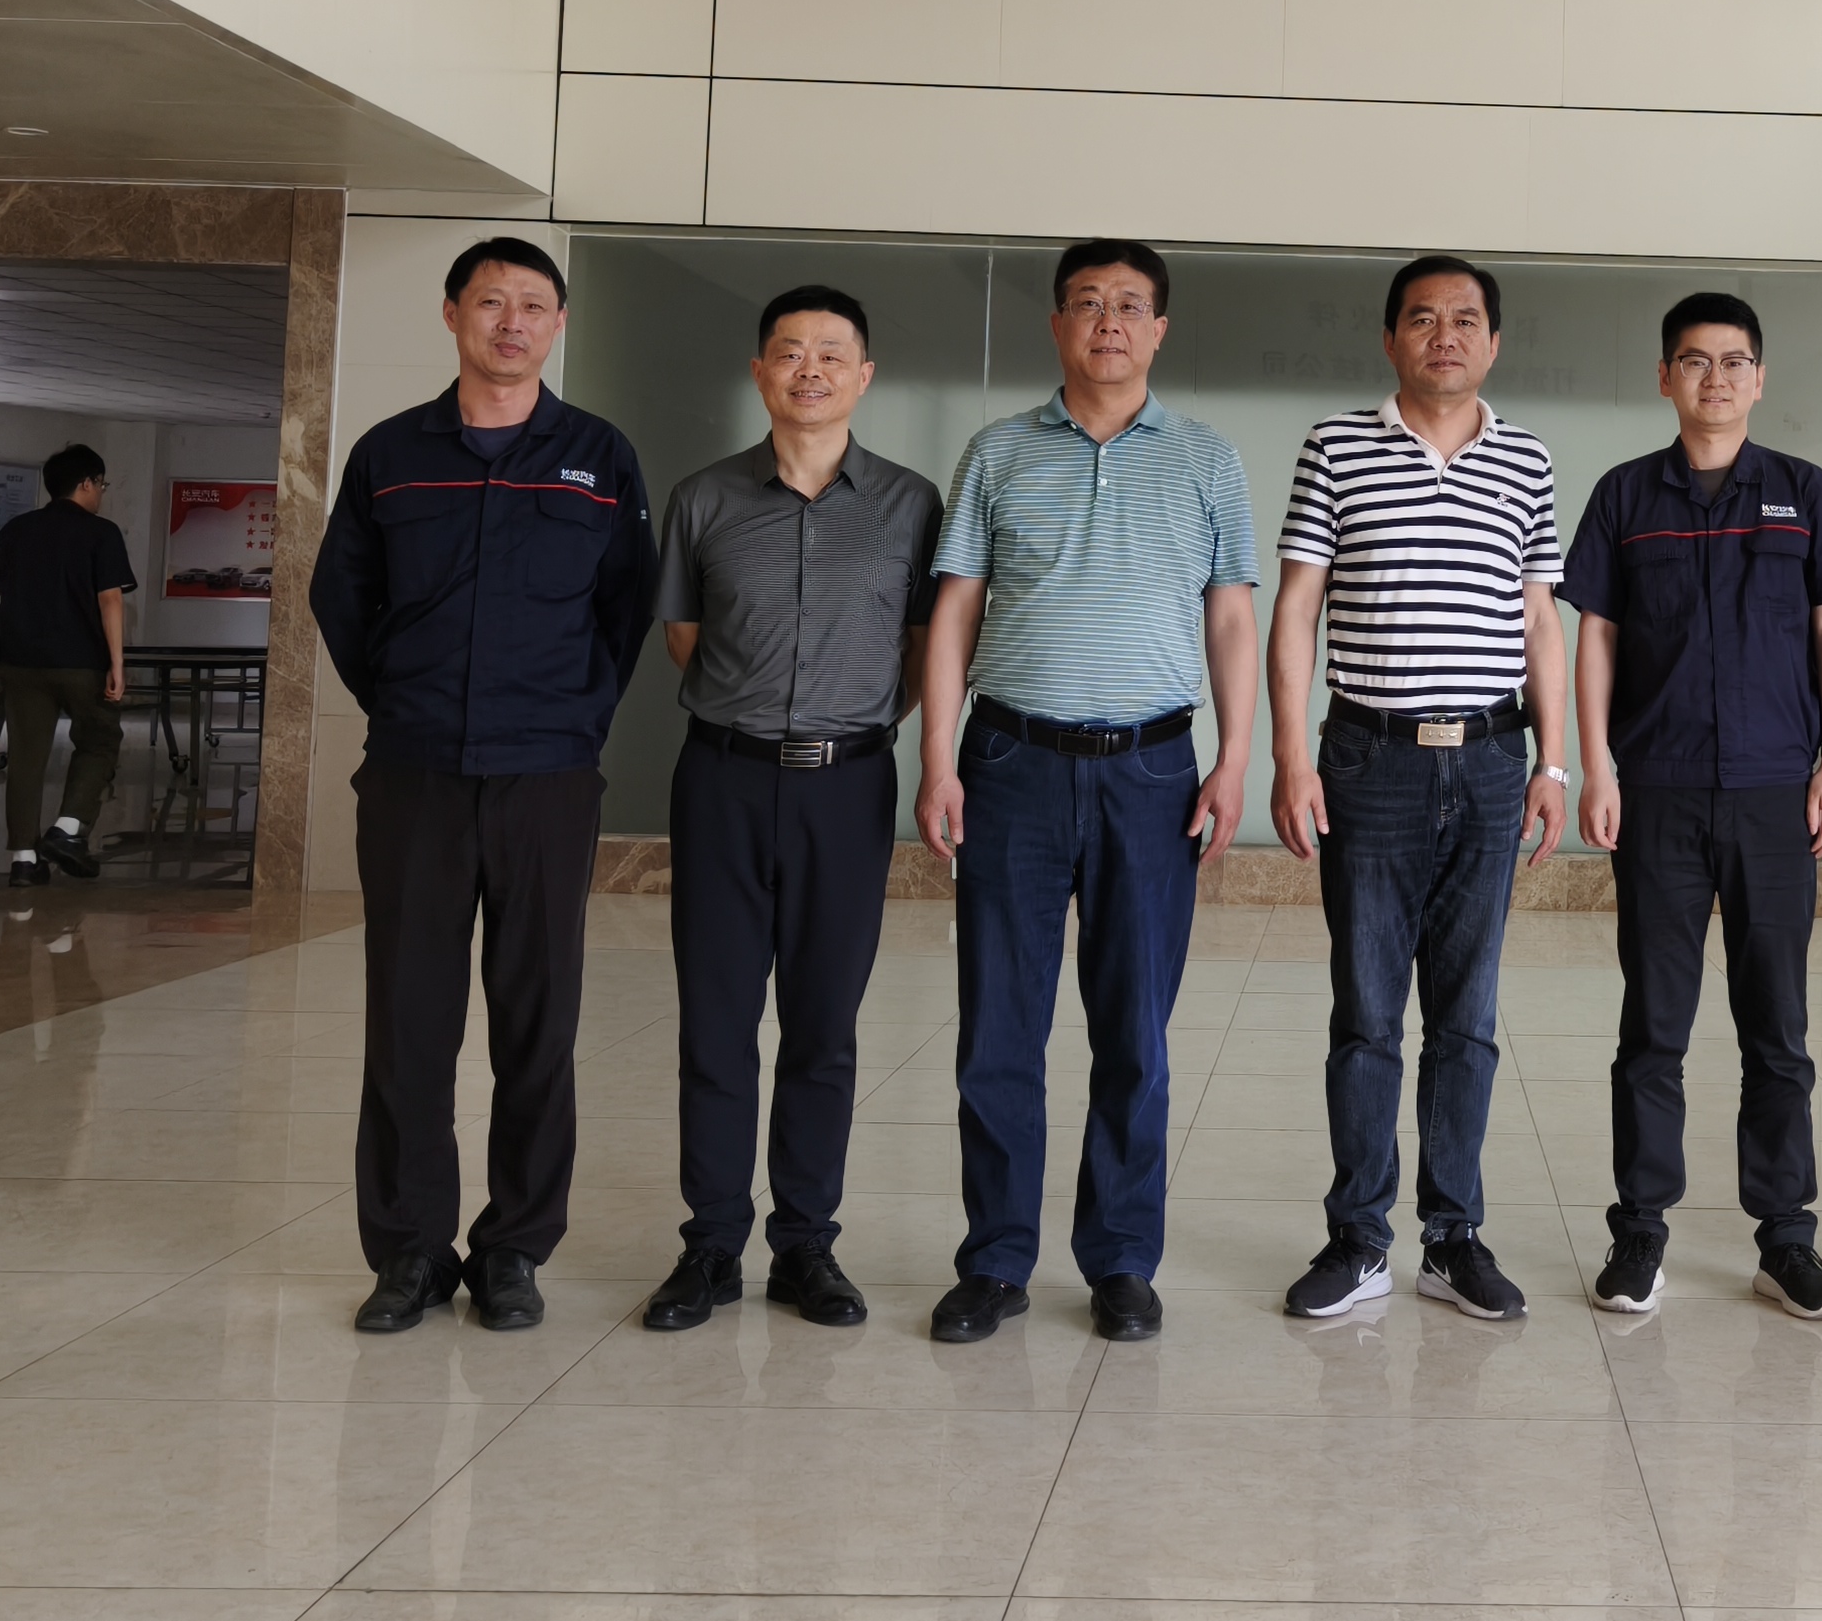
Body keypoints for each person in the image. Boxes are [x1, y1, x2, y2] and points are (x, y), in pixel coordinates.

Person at [311, 236, 657, 1337]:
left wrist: (572, 720)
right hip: (414, 773)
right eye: (492, 302)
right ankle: (410, 1252)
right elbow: (342, 599)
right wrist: (402, 700)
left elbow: (625, 609)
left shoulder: (598, 456)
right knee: (408, 1021)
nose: (513, 322)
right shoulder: (389, 454)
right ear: (453, 312)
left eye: (534, 305)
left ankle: (513, 1249)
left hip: (546, 777)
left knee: (536, 1022)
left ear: (558, 324)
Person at [917, 240, 1257, 1345]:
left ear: (1159, 329)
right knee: (998, 1030)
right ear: (1058, 323)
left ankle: (1119, 1260)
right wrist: (935, 759)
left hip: (1152, 772)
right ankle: (995, 1260)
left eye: (1129, 305)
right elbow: (955, 610)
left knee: (1135, 1033)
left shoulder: (1207, 460)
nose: (1108, 321)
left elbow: (1231, 617)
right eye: (1087, 303)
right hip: (1009, 764)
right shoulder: (997, 452)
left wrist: (1235, 757)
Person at [1562, 290, 1822, 1320]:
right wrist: (1597, 767)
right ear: (1665, 377)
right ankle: (1639, 1233)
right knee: (1653, 1025)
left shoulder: (1800, 490)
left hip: (1773, 792)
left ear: (1759, 378)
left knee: (1776, 1026)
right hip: (1656, 790)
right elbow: (1596, 637)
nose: (1715, 378)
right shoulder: (1625, 495)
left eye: (1734, 361)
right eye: (1694, 361)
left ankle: (1786, 1238)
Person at [1270, 256, 1571, 1325]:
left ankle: (1453, 1240)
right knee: (1366, 1014)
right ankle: (1358, 1239)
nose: (1446, 335)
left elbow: (1539, 619)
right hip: (1370, 759)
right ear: (1391, 337)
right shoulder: (1336, 446)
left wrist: (1554, 762)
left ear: (1494, 342)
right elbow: (1297, 605)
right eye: (1423, 318)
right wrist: (1290, 756)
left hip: (1489, 761)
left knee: (1467, 1016)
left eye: (1466, 320)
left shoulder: (1527, 458)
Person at [641, 284, 941, 1335]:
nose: (809, 370)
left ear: (864, 376)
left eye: (830, 354)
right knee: (715, 1021)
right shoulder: (703, 498)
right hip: (722, 780)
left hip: (848, 788)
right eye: (788, 352)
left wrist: (846, 725)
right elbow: (684, 636)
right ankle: (711, 1245)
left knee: (823, 1024)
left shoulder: (911, 504)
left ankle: (806, 1244)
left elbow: (925, 649)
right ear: (760, 371)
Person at [0, 443, 132, 888]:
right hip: (80, 660)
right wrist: (117, 663)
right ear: (86, 483)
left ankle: (24, 861)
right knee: (100, 738)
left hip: (19, 658)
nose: (101, 493)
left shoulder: (17, 529)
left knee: (26, 758)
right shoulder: (101, 533)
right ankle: (67, 830)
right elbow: (110, 599)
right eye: (101, 484)